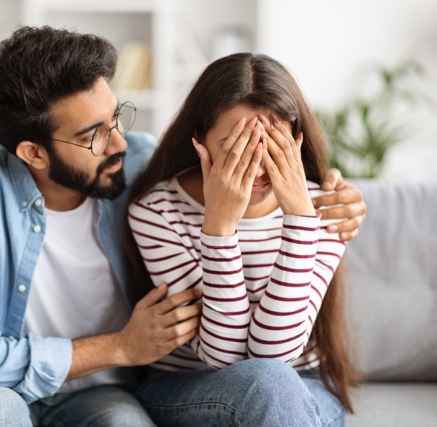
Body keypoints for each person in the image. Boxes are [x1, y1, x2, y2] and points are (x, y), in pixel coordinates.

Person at [0, 27, 365, 427]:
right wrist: (121, 346)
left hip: (106, 391)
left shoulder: (144, 163)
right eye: (92, 136)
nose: (118, 144)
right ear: (33, 152)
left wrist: (329, 200)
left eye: (116, 118)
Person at [125, 52, 361, 427]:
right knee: (269, 385)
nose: (257, 163)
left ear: (296, 140)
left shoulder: (328, 208)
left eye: (272, 144)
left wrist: (300, 217)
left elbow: (275, 355)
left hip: (301, 383)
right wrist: (219, 227)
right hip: (188, 383)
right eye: (236, 145)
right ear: (199, 141)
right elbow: (221, 357)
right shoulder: (157, 211)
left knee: (275, 384)